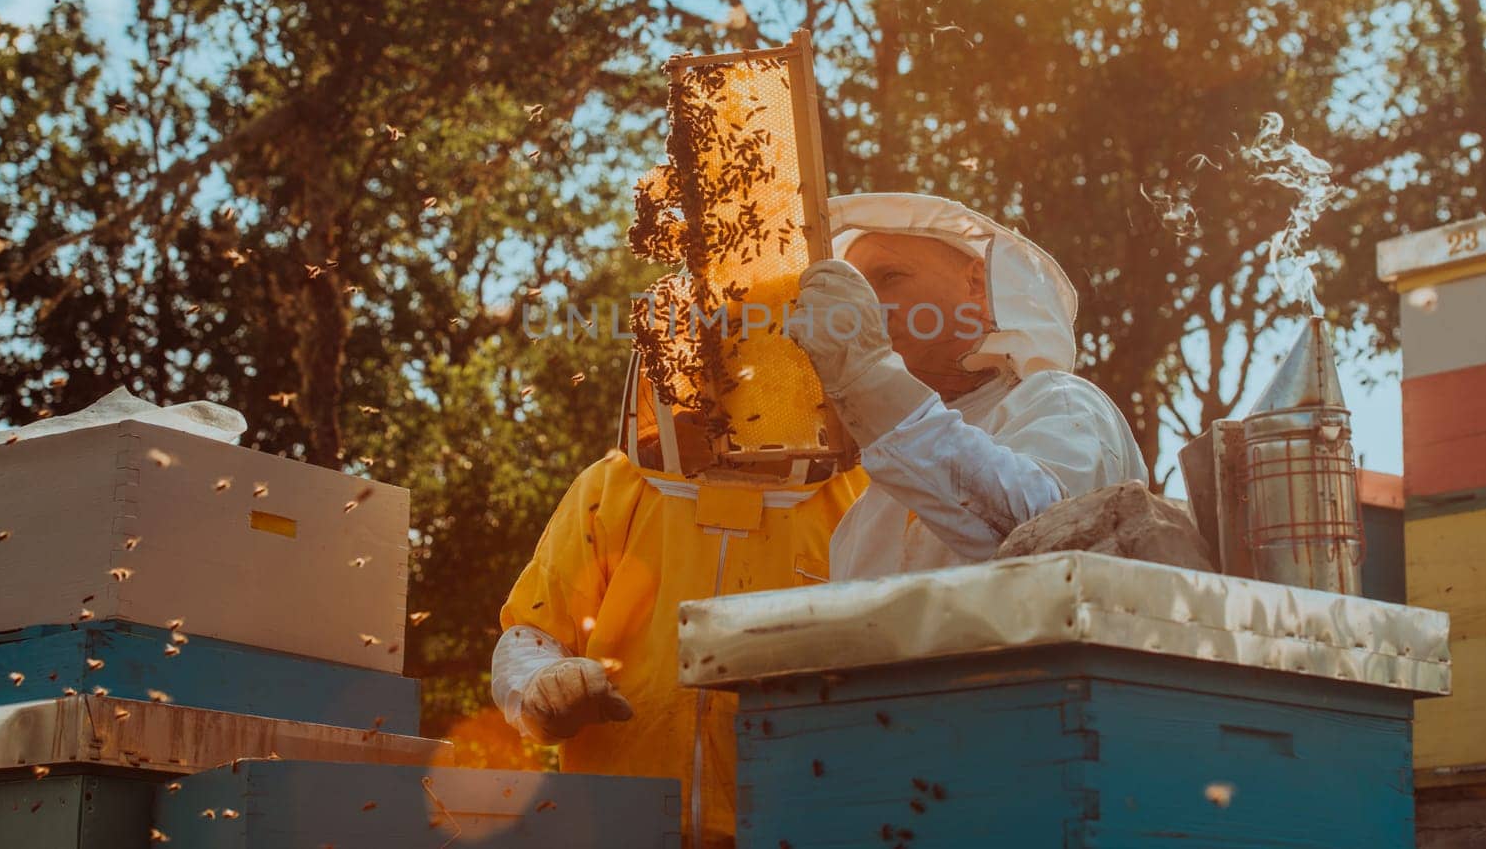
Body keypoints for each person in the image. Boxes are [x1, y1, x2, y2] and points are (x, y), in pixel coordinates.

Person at [490, 353, 865, 848]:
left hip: (795, 829)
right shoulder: (614, 486)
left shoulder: (861, 502)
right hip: (615, 827)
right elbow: (530, 632)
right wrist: (540, 682)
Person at [790, 192, 1148, 579]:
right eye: (858, 289)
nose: (866, 307)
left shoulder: (1060, 401)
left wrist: (873, 382)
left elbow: (1047, 535)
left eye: (889, 277)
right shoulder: (867, 510)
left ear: (976, 283)